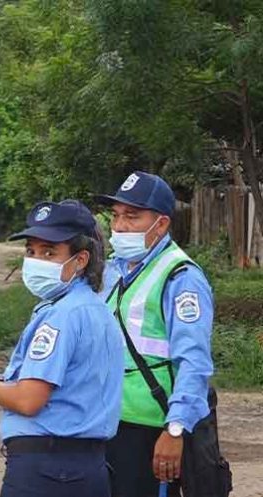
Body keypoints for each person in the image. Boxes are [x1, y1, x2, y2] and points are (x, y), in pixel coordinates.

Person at [0, 200, 124, 497]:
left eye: (50, 252)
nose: (36, 261)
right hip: (88, 465)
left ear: (81, 259)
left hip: (47, 469)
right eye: (31, 251)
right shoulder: (97, 309)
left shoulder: (61, 316)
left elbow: (28, 400)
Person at [96, 172, 215, 497]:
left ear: (160, 225)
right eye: (116, 216)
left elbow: (194, 362)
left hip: (151, 428)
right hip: (107, 422)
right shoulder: (113, 270)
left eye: (132, 217)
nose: (119, 226)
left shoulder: (181, 277)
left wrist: (174, 429)